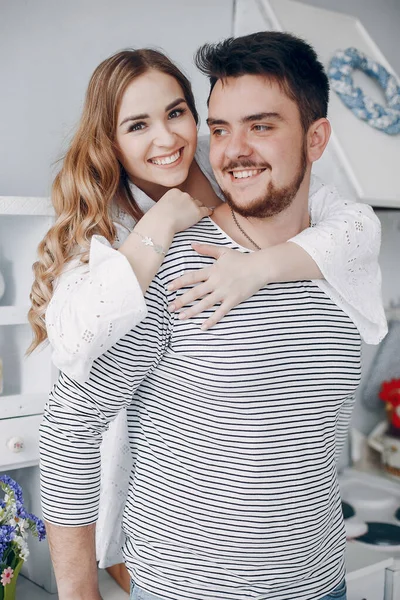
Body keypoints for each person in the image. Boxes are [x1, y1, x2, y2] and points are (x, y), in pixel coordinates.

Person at [36, 35, 386, 600]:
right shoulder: (170, 268)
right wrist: (78, 591)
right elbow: (72, 425)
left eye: (262, 126)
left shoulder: (340, 263)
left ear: (316, 138)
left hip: (321, 584)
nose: (233, 150)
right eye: (220, 129)